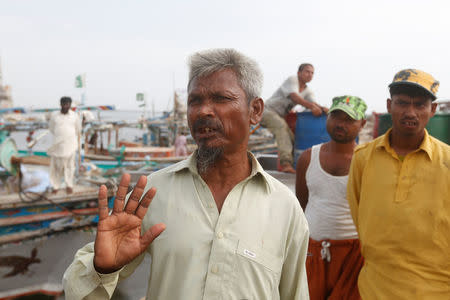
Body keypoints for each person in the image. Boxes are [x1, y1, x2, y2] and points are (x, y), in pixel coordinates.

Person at [63, 48, 310, 300]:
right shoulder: (152, 194)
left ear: (255, 110)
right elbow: (75, 289)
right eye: (195, 101)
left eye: (221, 98)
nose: (203, 111)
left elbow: (295, 293)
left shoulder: (285, 207)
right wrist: (103, 268)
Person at [347, 69, 450, 299]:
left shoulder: (448, 161)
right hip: (375, 290)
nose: (410, 112)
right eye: (402, 103)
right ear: (389, 105)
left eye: (420, 105)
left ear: (433, 110)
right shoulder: (363, 158)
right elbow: (360, 217)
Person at [296, 95, 367, 300]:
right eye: (335, 117)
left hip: (353, 254)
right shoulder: (308, 157)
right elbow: (302, 204)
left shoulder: (366, 161)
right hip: (313, 250)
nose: (340, 124)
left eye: (349, 119)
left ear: (362, 124)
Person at [260, 63, 328, 173]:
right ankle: (286, 163)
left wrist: (322, 108)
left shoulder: (308, 91)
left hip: (280, 116)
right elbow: (294, 97)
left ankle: (292, 164)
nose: (310, 74)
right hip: (267, 111)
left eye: (312, 73)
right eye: (307, 71)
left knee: (292, 137)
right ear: (299, 73)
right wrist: (312, 107)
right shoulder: (292, 80)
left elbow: (313, 103)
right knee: (281, 127)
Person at [48, 96, 81, 194]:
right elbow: (52, 129)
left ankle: (69, 185)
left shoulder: (75, 116)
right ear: (60, 104)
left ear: (70, 105)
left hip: (70, 145)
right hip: (57, 146)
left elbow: (78, 130)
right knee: (56, 168)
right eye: (64, 104)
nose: (66, 106)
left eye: (68, 104)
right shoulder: (55, 116)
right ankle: (55, 186)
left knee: (70, 167)